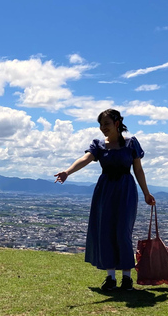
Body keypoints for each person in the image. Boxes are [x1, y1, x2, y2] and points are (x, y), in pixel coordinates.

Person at [54, 109, 156, 291]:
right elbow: (86, 158)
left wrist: (146, 193)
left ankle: (127, 278)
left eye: (106, 124)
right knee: (106, 231)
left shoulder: (131, 143)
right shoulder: (98, 145)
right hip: (105, 190)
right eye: (101, 125)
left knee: (123, 232)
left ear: (117, 124)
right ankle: (110, 278)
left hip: (126, 190)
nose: (103, 128)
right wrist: (67, 171)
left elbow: (138, 170)